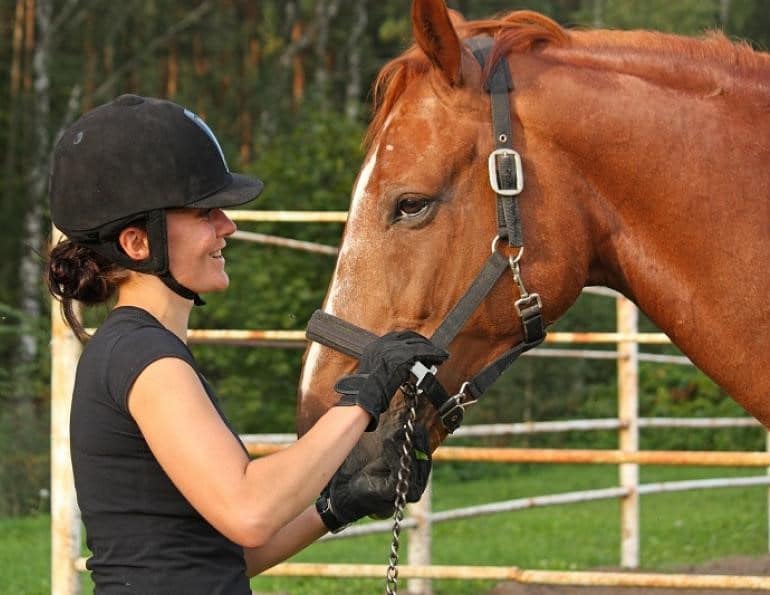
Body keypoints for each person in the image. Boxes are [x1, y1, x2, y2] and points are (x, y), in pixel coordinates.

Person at [46, 94, 448, 594]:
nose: (227, 226)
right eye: (205, 213)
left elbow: (221, 557)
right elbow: (249, 510)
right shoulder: (145, 358)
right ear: (138, 243)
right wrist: (362, 398)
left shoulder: (133, 349)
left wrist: (340, 504)